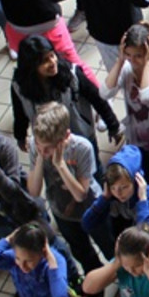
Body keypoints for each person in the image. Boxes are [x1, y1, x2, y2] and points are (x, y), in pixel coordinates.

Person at [26, 102, 105, 280]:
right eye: (39, 145)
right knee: (82, 251)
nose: (43, 151)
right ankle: (95, 275)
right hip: (62, 212)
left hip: (92, 208)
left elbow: (80, 194)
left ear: (66, 137)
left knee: (108, 245)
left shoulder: (82, 148)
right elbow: (34, 192)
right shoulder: (36, 147)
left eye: (48, 148)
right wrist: (39, 156)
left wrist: (60, 165)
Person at [10, 34, 122, 155]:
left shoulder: (71, 74)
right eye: (44, 61)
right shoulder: (19, 86)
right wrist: (20, 136)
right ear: (31, 67)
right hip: (48, 142)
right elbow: (19, 112)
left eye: (52, 55)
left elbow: (97, 98)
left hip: (80, 135)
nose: (52, 62)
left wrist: (113, 126)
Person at [101, 24, 149, 187]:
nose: (133, 60)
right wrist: (120, 61)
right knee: (147, 184)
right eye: (128, 54)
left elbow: (147, 97)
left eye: (138, 56)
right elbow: (105, 93)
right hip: (138, 141)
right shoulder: (126, 67)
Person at [82, 146, 149, 258]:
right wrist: (104, 199)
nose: (118, 193)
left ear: (136, 181)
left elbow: (148, 234)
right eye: (113, 187)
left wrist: (142, 202)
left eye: (124, 187)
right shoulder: (111, 196)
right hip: (130, 251)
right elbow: (87, 224)